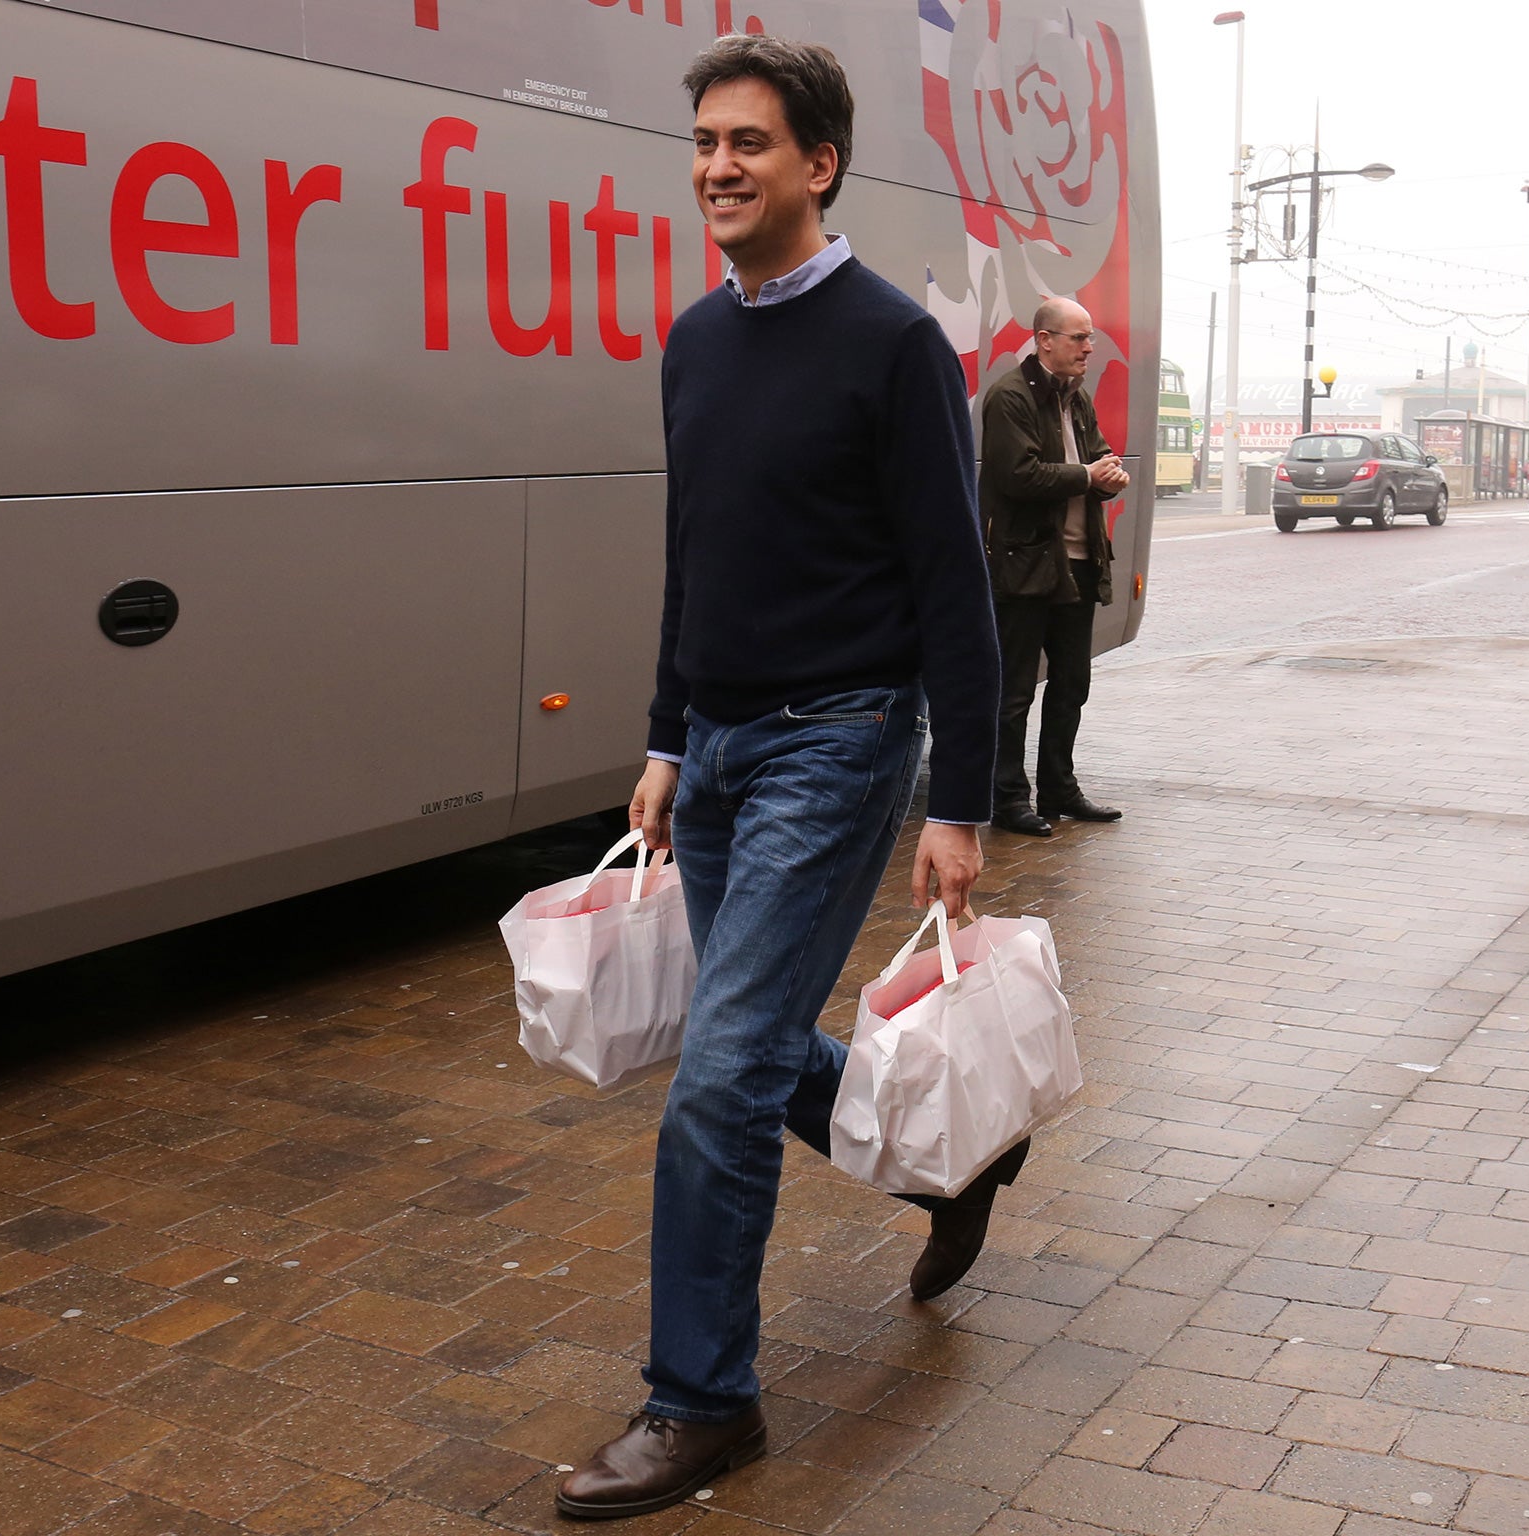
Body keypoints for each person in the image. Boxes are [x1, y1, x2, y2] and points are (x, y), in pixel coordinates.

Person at [555, 34, 1029, 1522]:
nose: (716, 167)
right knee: (734, 1038)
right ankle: (954, 1166)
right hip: (727, 742)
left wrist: (959, 803)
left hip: (841, 739)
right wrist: (665, 733)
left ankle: (700, 1401)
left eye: (748, 142)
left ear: (816, 165)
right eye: (703, 141)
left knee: (718, 1077)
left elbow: (957, 588)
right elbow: (696, 560)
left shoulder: (891, 344)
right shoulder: (697, 341)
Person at [980, 299, 1130, 838]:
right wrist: (1088, 477)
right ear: (1044, 340)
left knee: (1071, 683)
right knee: (1015, 690)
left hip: (1079, 562)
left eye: (1089, 338)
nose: (1089, 348)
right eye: (1078, 338)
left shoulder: (1077, 398)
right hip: (1025, 564)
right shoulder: (1009, 397)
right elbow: (1020, 476)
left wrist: (1109, 473)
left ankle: (1059, 789)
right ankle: (1008, 799)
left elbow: (1096, 455)